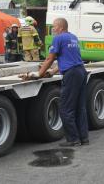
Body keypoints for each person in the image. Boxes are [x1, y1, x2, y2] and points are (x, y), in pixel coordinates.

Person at [39, 18, 88, 147]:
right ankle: (84, 138)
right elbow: (69, 58)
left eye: (54, 27)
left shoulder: (58, 38)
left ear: (60, 27)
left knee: (65, 108)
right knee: (79, 107)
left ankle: (73, 140)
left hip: (71, 74)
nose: (53, 29)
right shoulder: (73, 38)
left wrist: (40, 74)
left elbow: (50, 58)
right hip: (81, 71)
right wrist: (53, 71)